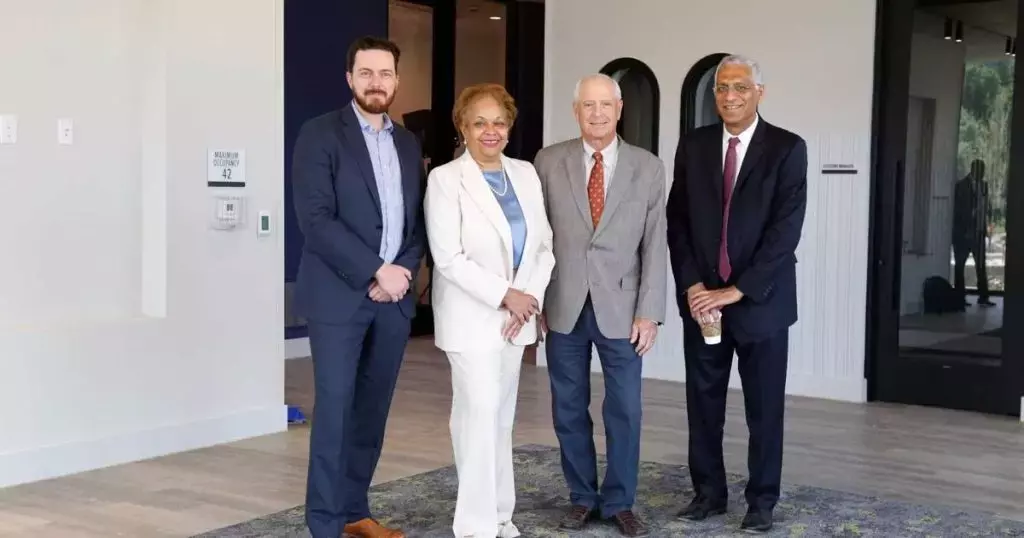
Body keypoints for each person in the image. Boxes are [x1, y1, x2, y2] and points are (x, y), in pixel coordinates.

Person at [291, 36, 426, 538]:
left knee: (372, 411)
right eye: (366, 73)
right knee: (334, 411)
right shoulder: (320, 134)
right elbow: (316, 219)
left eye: (385, 73)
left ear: (396, 80)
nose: (376, 82)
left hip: (392, 301)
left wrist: (402, 273)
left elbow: (416, 223)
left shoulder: (408, 142)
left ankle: (353, 512)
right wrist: (375, 270)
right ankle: (323, 524)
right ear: (350, 78)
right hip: (338, 298)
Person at [666, 54, 807, 533]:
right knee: (703, 405)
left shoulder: (788, 148)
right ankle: (707, 494)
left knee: (764, 410)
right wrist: (693, 286)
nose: (729, 95)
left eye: (740, 87)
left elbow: (784, 234)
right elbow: (677, 221)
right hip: (702, 302)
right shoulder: (694, 145)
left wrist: (735, 292)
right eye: (722, 87)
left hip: (761, 305)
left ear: (759, 93)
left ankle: (762, 501)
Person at [533, 73, 667, 537]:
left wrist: (650, 310)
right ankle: (581, 498)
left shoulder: (647, 167)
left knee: (625, 408)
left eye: (604, 104)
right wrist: (535, 297)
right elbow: (537, 238)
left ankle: (620, 501)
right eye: (587, 105)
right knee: (567, 406)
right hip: (563, 304)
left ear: (619, 108)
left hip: (624, 308)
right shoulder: (547, 162)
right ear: (576, 111)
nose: (596, 113)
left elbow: (655, 244)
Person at [424, 83, 555, 538]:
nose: (490, 131)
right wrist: (507, 295)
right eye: (479, 122)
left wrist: (527, 299)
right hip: (472, 318)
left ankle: (501, 513)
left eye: (498, 121)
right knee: (477, 416)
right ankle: (475, 526)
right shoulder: (445, 179)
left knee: (500, 418)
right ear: (462, 126)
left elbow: (543, 245)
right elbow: (448, 257)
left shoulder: (525, 173)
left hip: (516, 319)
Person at [952, 159, 995, 307]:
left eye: (983, 172)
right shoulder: (960, 186)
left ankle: (983, 297)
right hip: (963, 233)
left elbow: (985, 207)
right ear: (973, 170)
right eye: (980, 171)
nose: (982, 175)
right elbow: (957, 210)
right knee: (960, 266)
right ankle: (959, 299)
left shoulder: (984, 186)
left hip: (978, 232)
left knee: (981, 265)